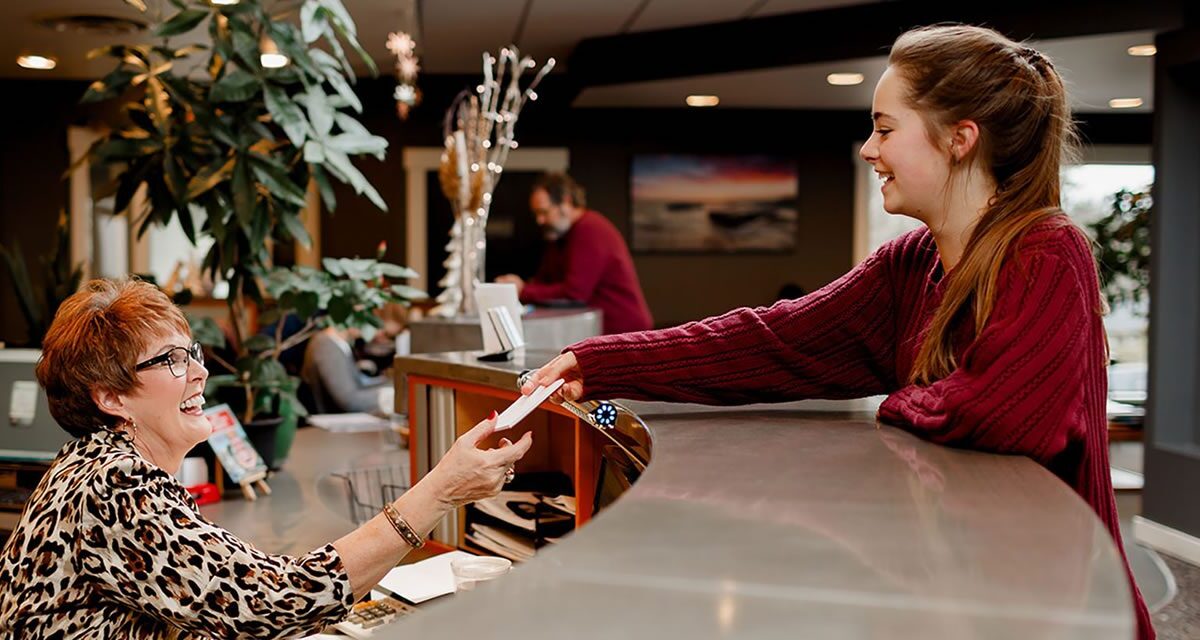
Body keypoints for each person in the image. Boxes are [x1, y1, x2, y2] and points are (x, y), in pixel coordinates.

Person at [523, 25, 1154, 640]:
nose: (867, 149)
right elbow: (772, 340)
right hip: (962, 593)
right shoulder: (912, 262)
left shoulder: (1048, 251)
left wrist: (897, 402)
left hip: (1060, 610)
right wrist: (600, 362)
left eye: (885, 129)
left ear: (960, 139)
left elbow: (1002, 416)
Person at [0, 279, 532, 638]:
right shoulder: (114, 485)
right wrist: (440, 489)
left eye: (193, 353)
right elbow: (269, 603)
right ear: (110, 397)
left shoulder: (91, 465)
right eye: (171, 359)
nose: (200, 372)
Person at [496, 172, 654, 334]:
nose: (539, 220)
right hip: (598, 330)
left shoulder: (589, 229)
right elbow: (544, 280)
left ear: (566, 202)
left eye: (544, 212)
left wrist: (522, 290)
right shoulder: (559, 236)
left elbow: (575, 293)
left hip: (625, 333)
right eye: (536, 214)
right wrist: (518, 287)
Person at [302, 325, 389, 414]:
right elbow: (349, 401)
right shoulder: (326, 346)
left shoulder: (336, 343)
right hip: (335, 418)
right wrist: (388, 396)